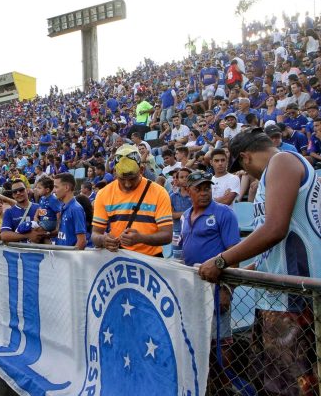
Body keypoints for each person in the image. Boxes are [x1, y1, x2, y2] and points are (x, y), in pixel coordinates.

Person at [198, 130, 321, 395]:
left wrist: (221, 260)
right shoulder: (273, 174)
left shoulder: (283, 162)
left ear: (245, 157)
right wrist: (243, 271)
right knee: (274, 383)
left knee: (295, 385)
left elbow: (275, 229)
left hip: (296, 298)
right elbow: (275, 245)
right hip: (280, 298)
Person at [179, 170, 241, 392]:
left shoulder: (224, 214)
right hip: (193, 286)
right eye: (199, 188)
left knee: (221, 339)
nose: (205, 193)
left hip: (216, 286)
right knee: (197, 336)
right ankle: (204, 381)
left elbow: (234, 254)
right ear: (188, 191)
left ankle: (225, 383)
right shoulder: (186, 215)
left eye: (208, 188)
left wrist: (227, 289)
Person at [92, 145, 173, 256]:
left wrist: (141, 238)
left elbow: (167, 235)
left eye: (132, 178)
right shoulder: (103, 194)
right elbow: (95, 233)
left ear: (142, 170)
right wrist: (103, 240)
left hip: (152, 260)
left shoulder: (159, 192)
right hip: (119, 258)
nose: (127, 184)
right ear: (115, 172)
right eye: (122, 179)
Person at [53, 173, 87, 249]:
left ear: (66, 188)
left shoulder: (76, 209)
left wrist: (70, 259)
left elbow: (81, 241)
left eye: (56, 187)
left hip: (68, 259)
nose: (54, 191)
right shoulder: (63, 206)